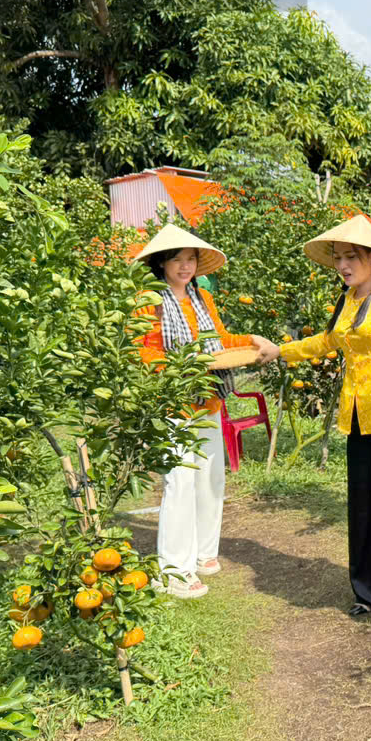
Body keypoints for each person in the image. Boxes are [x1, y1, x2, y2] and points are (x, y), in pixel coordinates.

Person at [254, 214, 371, 617]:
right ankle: (370, 593)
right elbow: (327, 341)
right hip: (357, 411)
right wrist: (280, 351)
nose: (342, 265)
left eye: (351, 256)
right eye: (338, 257)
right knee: (364, 503)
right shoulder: (347, 300)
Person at [135, 223, 261, 599]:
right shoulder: (148, 301)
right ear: (161, 263)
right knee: (179, 482)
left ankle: (204, 551)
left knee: (209, 478)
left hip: (206, 399)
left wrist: (252, 341)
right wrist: (182, 366)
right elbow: (140, 351)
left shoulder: (200, 298)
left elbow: (218, 340)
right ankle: (174, 568)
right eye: (177, 259)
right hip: (173, 401)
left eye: (190, 259)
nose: (185, 266)